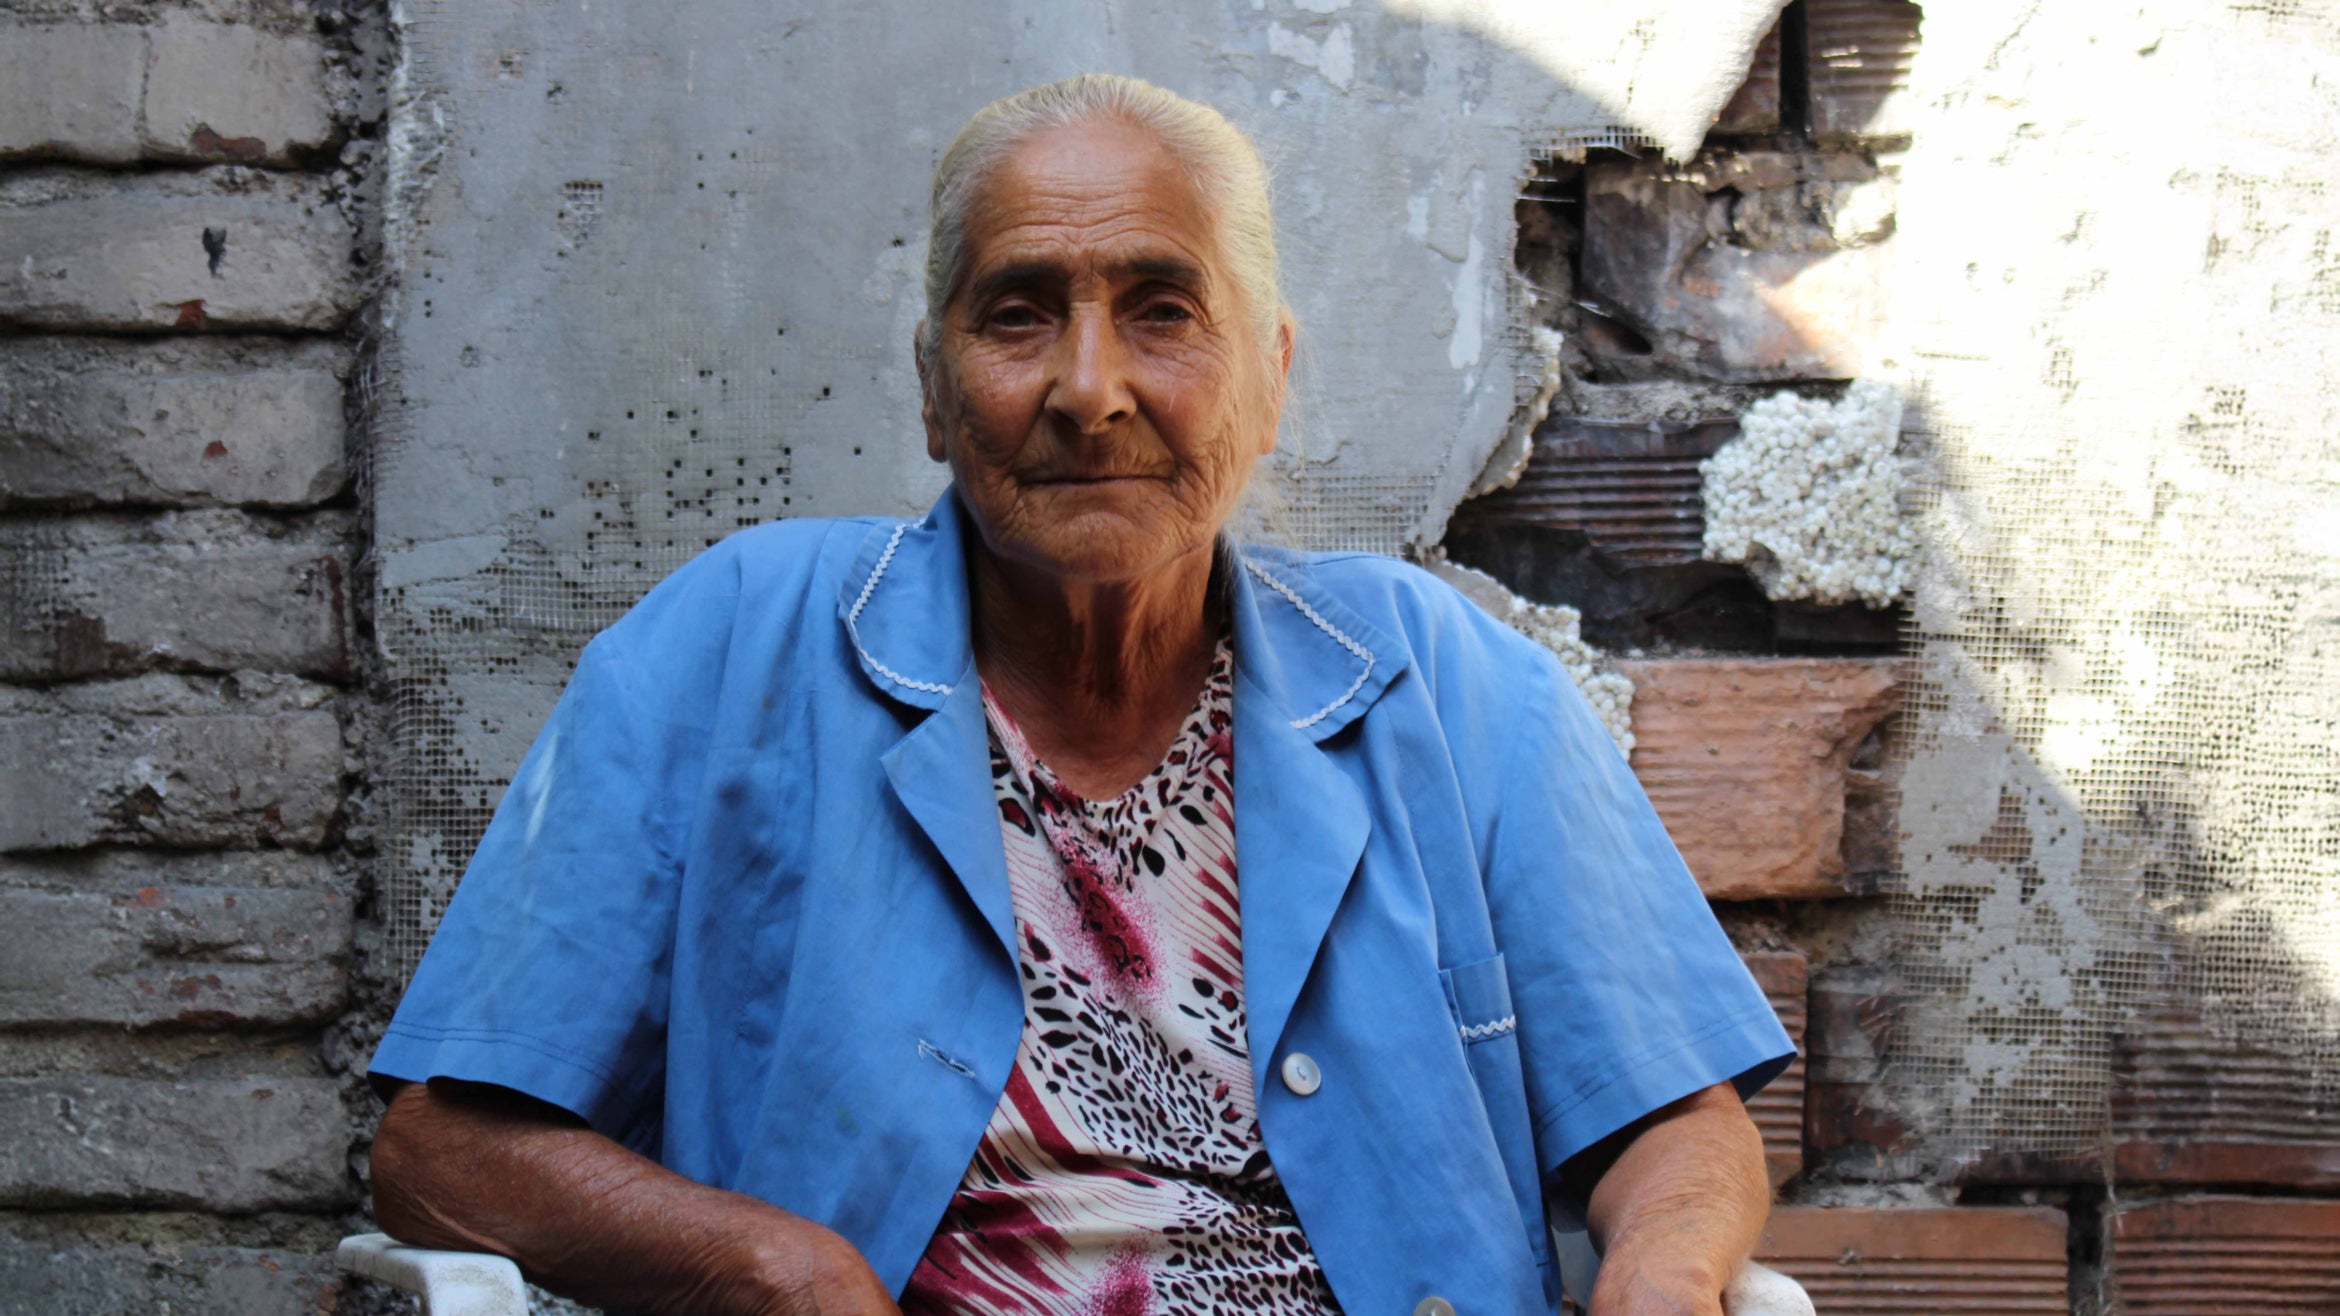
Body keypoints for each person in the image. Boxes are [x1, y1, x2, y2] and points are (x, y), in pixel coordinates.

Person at [367, 74, 1793, 1316]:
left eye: (1162, 311)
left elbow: (1676, 1117)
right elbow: (443, 1151)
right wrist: (777, 1273)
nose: (1090, 387)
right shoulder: (734, 647)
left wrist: (1662, 1273)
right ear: (935, 389)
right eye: (1018, 316)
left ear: (1268, 373)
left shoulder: (1445, 680)